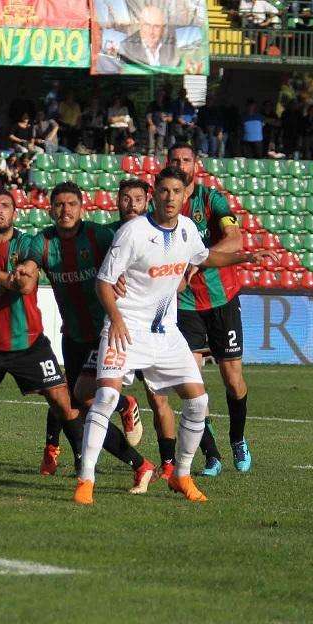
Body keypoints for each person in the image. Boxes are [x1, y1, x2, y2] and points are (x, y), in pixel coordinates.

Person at [0, 189, 144, 482]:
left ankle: (84, 462)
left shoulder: (27, 245)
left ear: (15, 213)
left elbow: (25, 286)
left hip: (29, 343)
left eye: (5, 206)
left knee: (65, 404)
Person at [74, 167, 276, 505]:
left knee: (198, 402)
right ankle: (86, 481)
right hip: (126, 328)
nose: (170, 197)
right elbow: (104, 283)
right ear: (155, 194)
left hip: (165, 333)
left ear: (185, 196)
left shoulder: (187, 229)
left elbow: (205, 256)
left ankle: (181, 475)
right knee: (105, 397)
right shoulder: (133, 232)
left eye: (176, 192)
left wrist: (245, 256)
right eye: (164, 190)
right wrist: (116, 320)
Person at [17, 183, 152, 487]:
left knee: (87, 401)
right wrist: (26, 270)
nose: (65, 210)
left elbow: (127, 256)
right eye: (59, 205)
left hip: (102, 333)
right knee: (72, 406)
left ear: (82, 208)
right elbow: (32, 262)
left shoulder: (98, 236)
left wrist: (122, 277)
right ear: (50, 210)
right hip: (73, 334)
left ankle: (126, 428)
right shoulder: (44, 241)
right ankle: (121, 451)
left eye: (71, 204)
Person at [162, 143, 251, 477]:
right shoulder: (163, 204)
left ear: (196, 165)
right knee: (191, 382)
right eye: (175, 159)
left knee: (233, 379)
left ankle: (238, 439)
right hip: (185, 304)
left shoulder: (211, 200)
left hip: (221, 299)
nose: (180, 164)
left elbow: (235, 240)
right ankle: (211, 454)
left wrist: (198, 260)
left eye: (186, 160)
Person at [111, 179, 180, 475]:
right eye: (126, 198)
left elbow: (181, 277)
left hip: (154, 329)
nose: (131, 205)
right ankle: (125, 408)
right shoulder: (109, 235)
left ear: (147, 201)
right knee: (101, 393)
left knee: (159, 398)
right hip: (121, 329)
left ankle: (168, 465)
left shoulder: (162, 234)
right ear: (117, 201)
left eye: (137, 199)